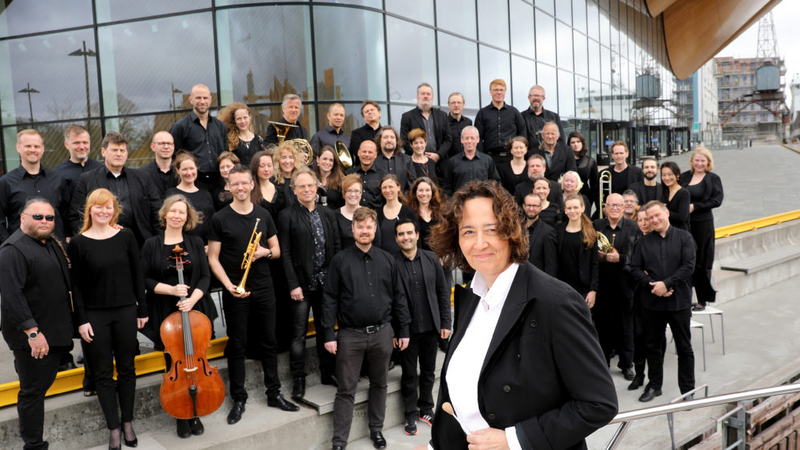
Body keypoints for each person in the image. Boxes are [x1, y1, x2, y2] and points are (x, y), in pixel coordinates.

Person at [425, 180, 617, 449]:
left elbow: (599, 403)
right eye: (468, 231)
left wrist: (514, 439)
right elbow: (455, 390)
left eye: (491, 229)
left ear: (511, 230)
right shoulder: (471, 296)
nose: (479, 243)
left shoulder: (556, 302)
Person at [207, 165, 298, 424]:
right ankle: (239, 399)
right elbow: (213, 259)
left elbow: (277, 250)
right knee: (237, 345)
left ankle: (274, 393)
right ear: (229, 186)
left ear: (251, 184)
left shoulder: (263, 215)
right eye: (234, 184)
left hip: (264, 287)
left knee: (269, 341)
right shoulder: (220, 219)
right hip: (236, 290)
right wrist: (229, 286)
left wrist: (264, 253)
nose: (240, 188)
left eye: (244, 183)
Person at [321, 207, 411, 450]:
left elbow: (399, 297)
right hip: (350, 336)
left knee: (380, 384)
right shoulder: (340, 261)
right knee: (345, 389)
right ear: (353, 229)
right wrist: (329, 334)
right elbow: (329, 299)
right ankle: (339, 442)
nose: (364, 231)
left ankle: (376, 431)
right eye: (360, 226)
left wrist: (403, 330)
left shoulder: (387, 260)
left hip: (383, 333)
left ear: (374, 229)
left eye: (369, 226)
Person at [68, 189, 148, 450]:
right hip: (94, 315)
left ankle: (128, 423)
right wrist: (81, 320)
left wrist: (142, 309)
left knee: (127, 369)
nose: (104, 211)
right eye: (98, 207)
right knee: (102, 373)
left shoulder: (126, 236)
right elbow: (76, 285)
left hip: (125, 310)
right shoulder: (78, 243)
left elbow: (138, 275)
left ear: (115, 210)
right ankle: (113, 429)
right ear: (90, 209)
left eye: (109, 207)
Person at [139, 195, 217, 439]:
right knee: (173, 363)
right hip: (165, 310)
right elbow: (145, 279)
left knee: (195, 358)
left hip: (194, 311)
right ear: (165, 215)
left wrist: (192, 299)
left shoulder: (194, 242)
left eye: (181, 212)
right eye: (172, 211)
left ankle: (196, 411)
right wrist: (172, 290)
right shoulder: (151, 244)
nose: (176, 216)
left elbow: (205, 275)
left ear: (187, 217)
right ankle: (181, 413)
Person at [0, 198, 74, 450]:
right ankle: (33, 445)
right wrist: (33, 333)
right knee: (32, 392)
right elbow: (12, 296)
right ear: (22, 218)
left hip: (54, 331)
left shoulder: (50, 242)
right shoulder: (12, 250)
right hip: (33, 337)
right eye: (38, 217)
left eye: (49, 218)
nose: (45, 222)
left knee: (39, 383)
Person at [278, 168, 341, 402]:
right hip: (301, 287)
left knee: (327, 330)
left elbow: (335, 249)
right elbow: (284, 253)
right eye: (301, 186)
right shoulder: (286, 216)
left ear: (317, 189)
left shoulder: (328, 214)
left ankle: (328, 373)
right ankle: (299, 380)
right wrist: (293, 284)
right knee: (298, 336)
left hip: (326, 285)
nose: (307, 190)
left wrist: (335, 283)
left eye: (310, 186)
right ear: (294, 191)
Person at [629, 201, 696, 402]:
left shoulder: (684, 237)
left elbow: (689, 266)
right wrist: (653, 285)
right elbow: (634, 268)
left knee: (684, 348)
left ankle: (688, 390)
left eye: (657, 215)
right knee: (653, 346)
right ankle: (654, 385)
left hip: (679, 302)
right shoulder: (643, 242)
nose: (654, 220)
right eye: (650, 218)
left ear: (666, 212)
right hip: (652, 303)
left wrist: (666, 284)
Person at [393, 218, 451, 436]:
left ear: (417, 235)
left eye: (409, 233)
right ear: (396, 238)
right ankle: (409, 413)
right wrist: (397, 331)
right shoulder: (392, 264)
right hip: (407, 332)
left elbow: (443, 292)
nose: (406, 237)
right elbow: (391, 300)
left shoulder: (431, 259)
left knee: (428, 372)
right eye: (401, 234)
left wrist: (446, 322)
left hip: (431, 327)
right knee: (408, 374)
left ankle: (426, 408)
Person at [68, 131, 162, 247]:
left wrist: (159, 242)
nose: (119, 154)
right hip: (101, 245)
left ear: (127, 154)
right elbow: (76, 216)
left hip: (141, 244)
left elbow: (157, 212)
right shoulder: (87, 179)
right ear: (103, 152)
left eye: (122, 150)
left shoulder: (143, 178)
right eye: (114, 150)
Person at [593, 193, 638, 379]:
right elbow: (588, 253)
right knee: (602, 326)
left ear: (624, 207)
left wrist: (619, 258)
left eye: (618, 205)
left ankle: (627, 364)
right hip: (602, 284)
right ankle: (603, 364)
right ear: (605, 207)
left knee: (625, 326)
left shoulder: (633, 227)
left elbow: (637, 257)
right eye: (611, 205)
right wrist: (599, 256)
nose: (614, 208)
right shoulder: (596, 226)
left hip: (625, 284)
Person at [0, 129, 69, 244]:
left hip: (56, 248)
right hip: (21, 250)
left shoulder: (58, 180)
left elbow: (66, 215)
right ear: (18, 148)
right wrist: (9, 245)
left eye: (36, 146)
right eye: (28, 146)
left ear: (42, 149)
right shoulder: (5, 182)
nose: (32, 150)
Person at [681, 146, 724, 312]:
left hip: (703, 224)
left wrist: (695, 206)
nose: (699, 164)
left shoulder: (713, 179)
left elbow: (717, 200)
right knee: (685, 259)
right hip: (685, 224)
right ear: (692, 161)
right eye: (696, 160)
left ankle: (702, 298)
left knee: (703, 260)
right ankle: (686, 296)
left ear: (708, 162)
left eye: (702, 161)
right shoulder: (684, 177)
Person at [169, 84, 227, 191]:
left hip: (219, 182)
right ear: (191, 100)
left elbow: (225, 153)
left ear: (210, 100)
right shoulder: (180, 127)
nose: (202, 101)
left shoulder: (220, 126)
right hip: (194, 182)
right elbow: (174, 157)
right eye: (198, 98)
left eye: (205, 98)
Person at [555, 194, 599, 310]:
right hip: (562, 287)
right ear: (565, 210)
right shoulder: (558, 230)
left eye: (576, 207)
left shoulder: (590, 232)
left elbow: (595, 263)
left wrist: (593, 290)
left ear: (583, 208)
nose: (572, 211)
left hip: (584, 289)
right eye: (569, 208)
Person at [165, 152, 215, 242]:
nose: (189, 173)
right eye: (184, 169)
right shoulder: (171, 194)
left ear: (196, 168)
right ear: (177, 170)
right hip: (182, 247)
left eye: (192, 168)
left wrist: (211, 244)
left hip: (206, 248)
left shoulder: (206, 194)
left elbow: (212, 223)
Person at [473, 79, 526, 162]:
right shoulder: (482, 113)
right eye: (496, 90)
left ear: (505, 92)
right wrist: (482, 157)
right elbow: (478, 137)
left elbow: (522, 133)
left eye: (501, 90)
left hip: (511, 158)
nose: (499, 92)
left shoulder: (514, 112)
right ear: (491, 92)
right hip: (490, 158)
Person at [400, 82, 451, 164]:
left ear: (432, 97)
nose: (426, 96)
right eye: (423, 94)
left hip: (440, 162)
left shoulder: (442, 115)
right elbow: (404, 140)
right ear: (417, 97)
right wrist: (421, 155)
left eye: (428, 94)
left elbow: (448, 140)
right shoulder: (407, 117)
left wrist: (438, 155)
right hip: (416, 163)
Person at [53, 125, 104, 208]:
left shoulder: (102, 169)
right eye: (76, 143)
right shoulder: (58, 174)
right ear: (66, 145)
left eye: (85, 142)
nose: (81, 147)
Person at [443, 126, 500, 196]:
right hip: (460, 203)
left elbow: (495, 183)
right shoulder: (453, 161)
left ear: (478, 139)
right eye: (466, 138)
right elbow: (447, 187)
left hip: (481, 201)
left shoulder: (487, 160)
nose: (469, 141)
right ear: (461, 140)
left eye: (472, 138)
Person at [376, 175, 416, 256]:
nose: (387, 190)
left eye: (391, 187)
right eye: (384, 187)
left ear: (398, 187)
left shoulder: (408, 212)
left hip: (404, 260)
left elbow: (416, 241)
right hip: (384, 260)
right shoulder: (377, 213)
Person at [522, 192, 557, 276]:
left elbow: (551, 265)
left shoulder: (548, 232)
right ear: (523, 206)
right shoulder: (516, 228)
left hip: (537, 279)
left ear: (540, 208)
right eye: (528, 205)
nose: (531, 208)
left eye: (534, 206)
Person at [219, 102, 264, 167]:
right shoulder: (228, 141)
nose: (243, 121)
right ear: (234, 121)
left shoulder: (259, 140)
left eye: (245, 117)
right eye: (239, 119)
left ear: (250, 117)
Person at [407, 177, 445, 252]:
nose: (424, 194)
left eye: (427, 190)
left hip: (439, 257)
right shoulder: (409, 213)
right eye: (421, 190)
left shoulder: (441, 212)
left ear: (432, 192)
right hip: (418, 257)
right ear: (415, 192)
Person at [346, 140, 385, 209]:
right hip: (352, 215)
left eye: (370, 152)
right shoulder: (349, 174)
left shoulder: (383, 175)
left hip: (375, 216)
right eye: (364, 151)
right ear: (358, 153)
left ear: (375, 155)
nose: (367, 155)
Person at [140, 131, 178, 200]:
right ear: (153, 147)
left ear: (174, 146)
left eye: (169, 143)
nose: (166, 147)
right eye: (161, 143)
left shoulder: (182, 172)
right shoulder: (142, 174)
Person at [568, 131, 598, 213]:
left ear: (582, 143)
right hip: (568, 195)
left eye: (578, 142)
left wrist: (590, 200)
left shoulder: (590, 161)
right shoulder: (565, 160)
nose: (576, 144)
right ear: (569, 145)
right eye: (573, 142)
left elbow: (594, 184)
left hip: (585, 196)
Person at [249, 150, 285, 218]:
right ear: (255, 167)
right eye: (262, 166)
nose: (266, 169)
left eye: (269, 165)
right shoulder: (250, 190)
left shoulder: (280, 190)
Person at [374, 126, 411, 191]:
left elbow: (411, 185)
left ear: (396, 141)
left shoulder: (407, 160)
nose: (389, 140)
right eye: (385, 137)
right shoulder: (373, 161)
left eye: (392, 137)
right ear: (379, 141)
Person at [336, 174, 367, 249]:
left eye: (356, 191)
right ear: (343, 193)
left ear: (361, 193)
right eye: (349, 191)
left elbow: (376, 243)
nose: (353, 194)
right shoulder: (335, 216)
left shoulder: (369, 215)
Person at [660, 161, 690, 231]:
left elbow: (682, 217)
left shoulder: (683, 192)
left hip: (680, 232)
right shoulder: (663, 191)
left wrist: (664, 210)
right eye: (664, 175)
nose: (667, 178)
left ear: (677, 175)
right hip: (666, 231)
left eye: (670, 174)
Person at [274, 141, 304, 209]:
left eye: (291, 157)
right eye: (284, 157)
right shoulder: (273, 182)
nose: (287, 161)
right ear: (278, 160)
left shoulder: (300, 180)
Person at [446, 92, 472, 158]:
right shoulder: (444, 122)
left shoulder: (468, 122)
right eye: (453, 103)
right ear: (449, 105)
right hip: (449, 161)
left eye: (459, 102)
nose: (456, 105)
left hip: (466, 160)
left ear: (463, 104)